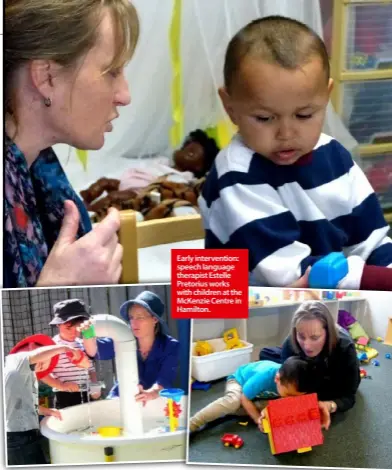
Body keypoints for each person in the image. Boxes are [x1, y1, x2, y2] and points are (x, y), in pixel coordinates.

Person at [198, 15, 392, 291]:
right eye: (265, 118)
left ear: (326, 97)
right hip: (243, 314)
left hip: (323, 302)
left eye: (304, 115)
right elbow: (288, 271)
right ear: (231, 108)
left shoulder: (335, 155)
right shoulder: (237, 174)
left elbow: (371, 241)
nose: (286, 134)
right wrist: (377, 280)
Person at [4, 0, 140, 288]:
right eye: (112, 71)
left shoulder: (39, 168)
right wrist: (56, 288)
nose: (124, 95)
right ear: (46, 76)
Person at [259, 300, 361, 423]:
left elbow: (349, 397)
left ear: (328, 333)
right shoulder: (290, 343)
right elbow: (288, 385)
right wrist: (273, 409)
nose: (307, 346)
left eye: (315, 337)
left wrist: (330, 405)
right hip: (308, 374)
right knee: (265, 353)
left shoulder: (345, 348)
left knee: (329, 391)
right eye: (301, 336)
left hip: (330, 377)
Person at [5, 334, 89, 465]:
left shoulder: (21, 374)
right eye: (42, 363)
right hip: (18, 438)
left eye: (42, 368)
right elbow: (35, 355)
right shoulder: (15, 360)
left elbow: (21, 405)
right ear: (32, 347)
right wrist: (64, 348)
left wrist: (46, 411)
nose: (39, 369)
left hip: (22, 436)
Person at [189, 356, 327, 433]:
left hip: (260, 395)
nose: (291, 400)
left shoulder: (293, 384)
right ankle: (193, 423)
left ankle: (231, 412)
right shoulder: (264, 376)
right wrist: (257, 419)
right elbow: (244, 397)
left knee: (270, 408)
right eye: (288, 395)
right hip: (239, 382)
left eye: (295, 396)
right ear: (277, 379)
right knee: (233, 401)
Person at [95, 291, 180, 404]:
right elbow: (96, 350)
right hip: (119, 399)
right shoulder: (122, 338)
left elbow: (165, 379)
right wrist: (88, 333)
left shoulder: (171, 346)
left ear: (154, 319)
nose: (134, 323)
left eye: (140, 317)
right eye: (131, 317)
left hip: (154, 402)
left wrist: (151, 393)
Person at [41, 299, 101, 409]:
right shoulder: (52, 346)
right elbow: (43, 373)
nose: (74, 332)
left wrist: (94, 385)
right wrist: (61, 385)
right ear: (58, 324)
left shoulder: (83, 343)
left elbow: (91, 369)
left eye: (77, 328)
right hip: (64, 397)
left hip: (86, 395)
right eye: (68, 328)